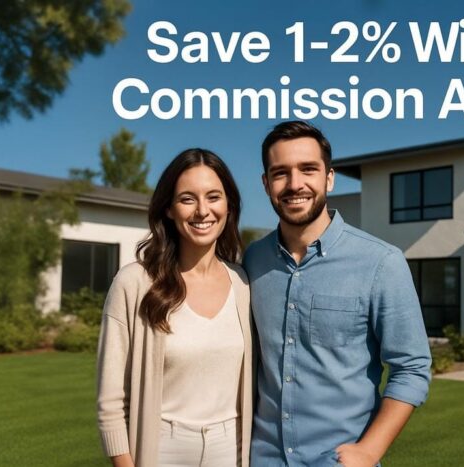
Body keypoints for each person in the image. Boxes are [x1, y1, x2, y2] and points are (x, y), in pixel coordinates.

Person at [243, 121, 432, 467]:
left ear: (329, 178)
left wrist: (370, 450)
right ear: (266, 183)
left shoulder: (381, 262)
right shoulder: (253, 261)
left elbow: (412, 367)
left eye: (308, 169)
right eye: (281, 173)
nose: (295, 184)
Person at [96, 148, 254, 467]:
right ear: (168, 209)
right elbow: (111, 401)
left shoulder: (244, 283)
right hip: (160, 449)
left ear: (229, 205)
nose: (202, 211)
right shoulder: (135, 283)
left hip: (232, 450)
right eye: (187, 199)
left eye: (213, 197)